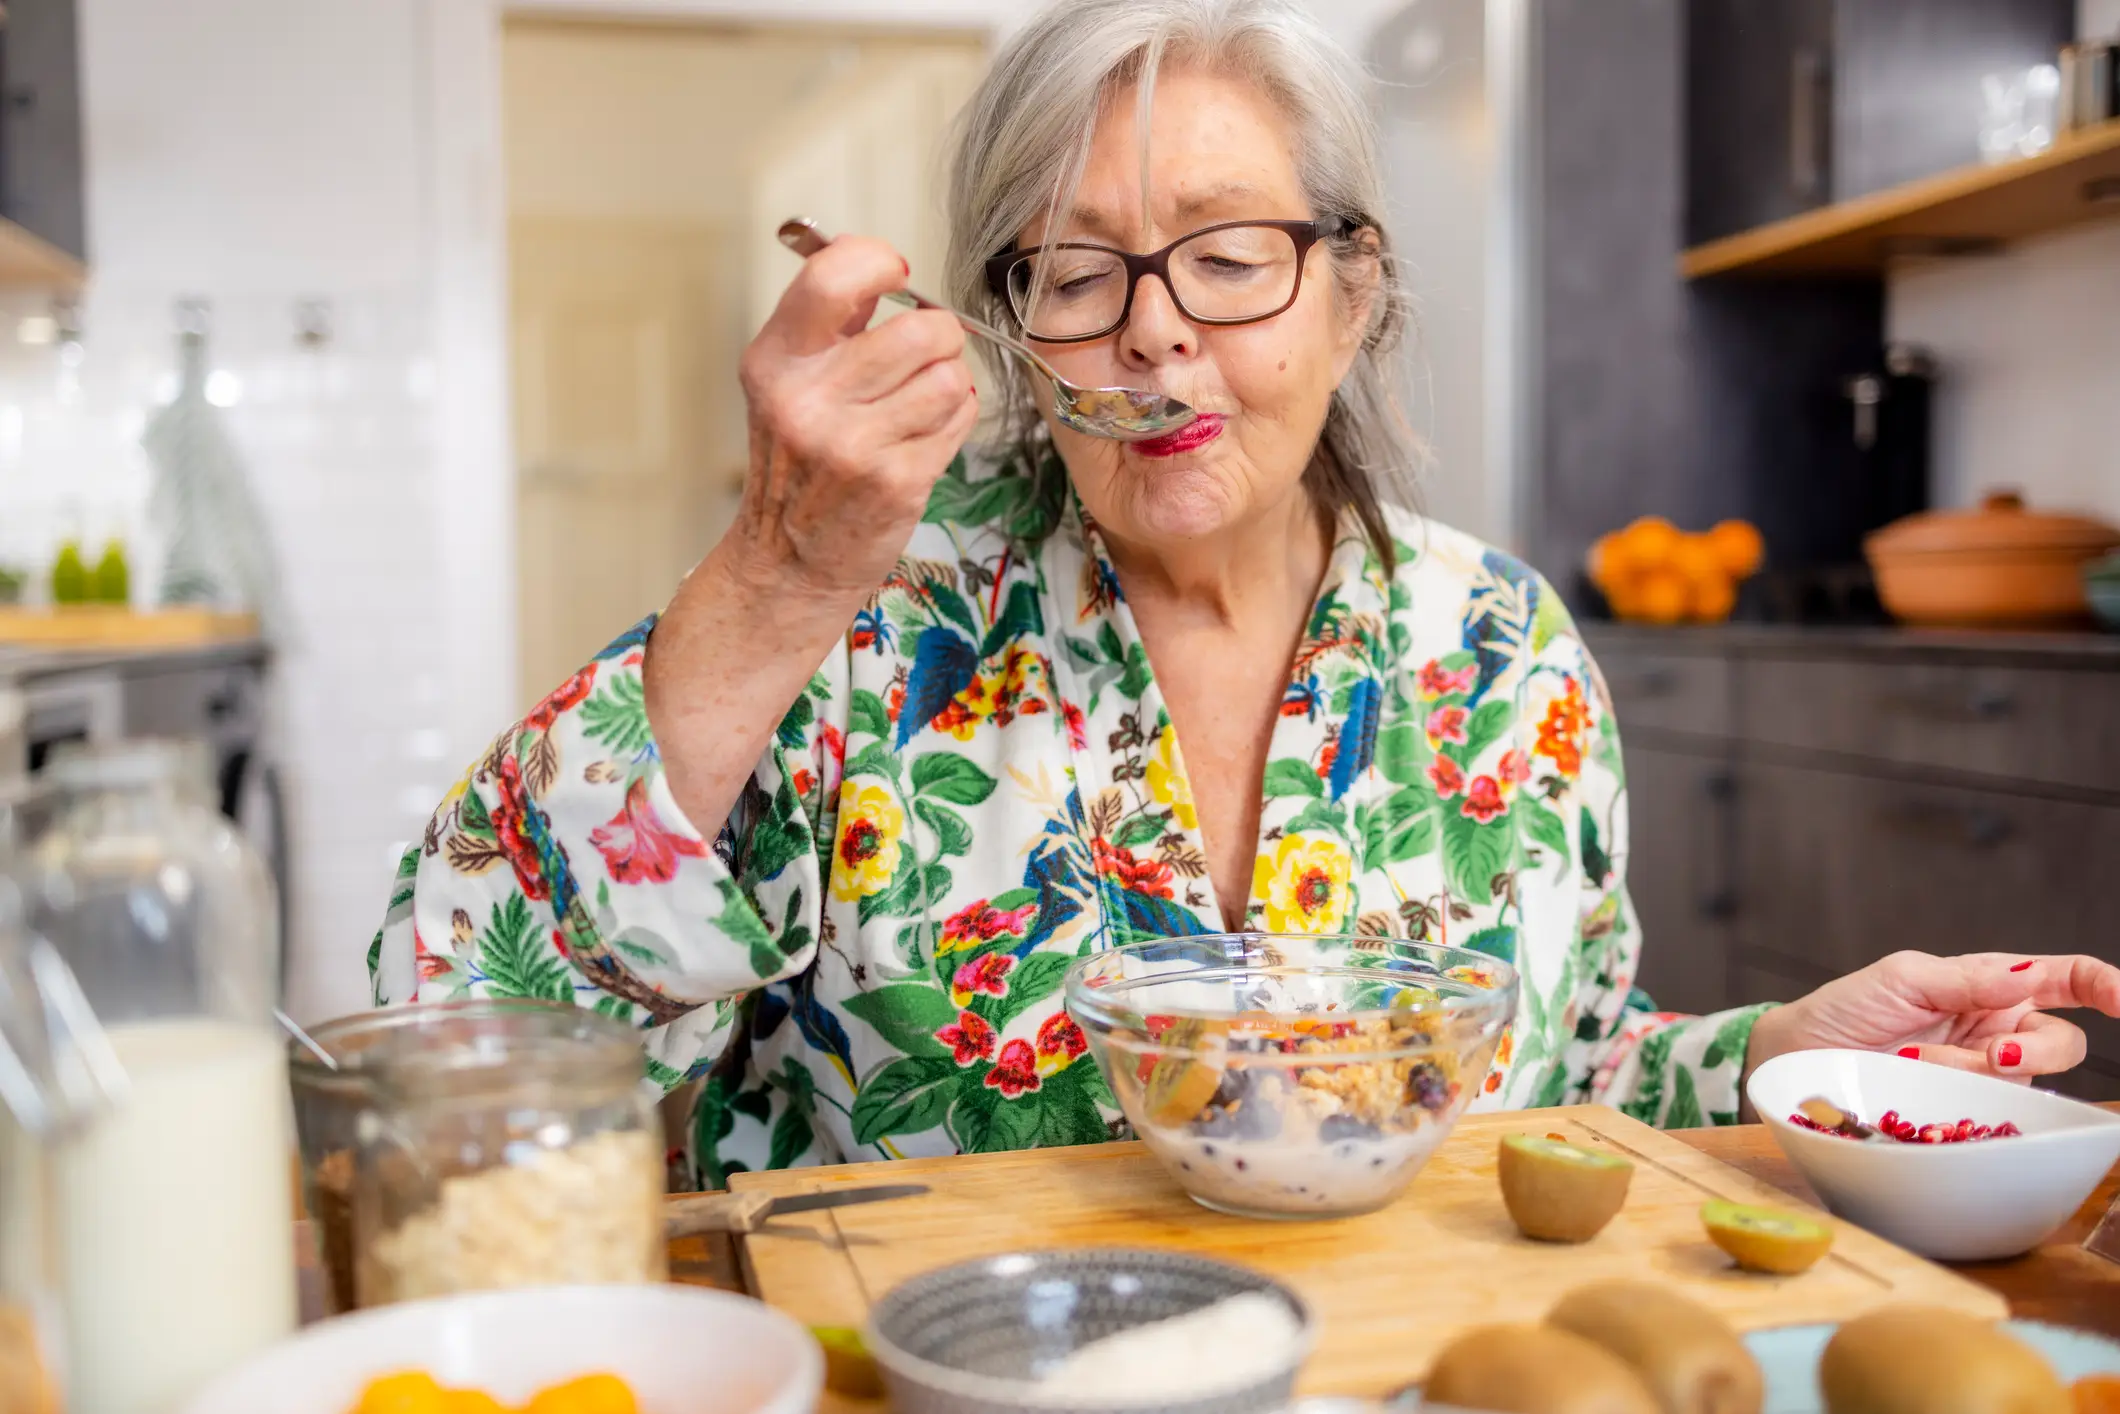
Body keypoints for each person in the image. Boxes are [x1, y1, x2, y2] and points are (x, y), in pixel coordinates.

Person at [372, 0, 2120, 1185]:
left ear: (1352, 294)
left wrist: (1778, 1058)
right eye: (1077, 271)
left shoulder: (1500, 651)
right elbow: (443, 1036)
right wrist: (771, 575)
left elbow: (1563, 1077)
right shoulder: (854, 624)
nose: (1154, 326)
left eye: (1227, 254)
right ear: (1006, 324)